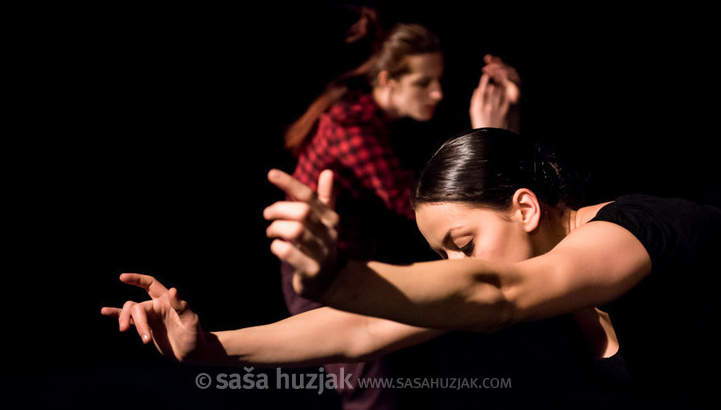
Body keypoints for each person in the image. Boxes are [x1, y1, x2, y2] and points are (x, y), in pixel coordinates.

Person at [263, 128, 720, 408]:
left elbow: (499, 293)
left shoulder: (635, 227)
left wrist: (338, 275)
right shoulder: (543, 251)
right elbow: (365, 329)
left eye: (464, 245)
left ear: (525, 208)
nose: (456, 268)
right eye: (445, 256)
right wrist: (214, 348)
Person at [278, 21, 521, 408]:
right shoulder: (352, 130)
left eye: (438, 80)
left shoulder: (373, 116)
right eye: (423, 83)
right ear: (389, 81)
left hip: (352, 264)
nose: (438, 93)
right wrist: (486, 133)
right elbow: (419, 206)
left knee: (413, 378)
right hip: (314, 269)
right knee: (374, 396)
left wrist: (498, 131)